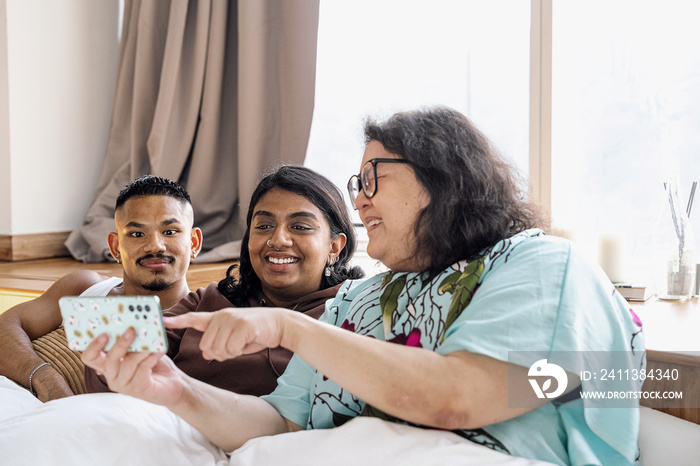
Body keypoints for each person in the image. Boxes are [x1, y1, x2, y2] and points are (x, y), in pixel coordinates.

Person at [83, 107, 645, 465]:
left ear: (442, 178)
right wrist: (174, 391)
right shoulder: (361, 300)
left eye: (372, 177)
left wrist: (285, 326)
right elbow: (277, 424)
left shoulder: (537, 263)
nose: (359, 199)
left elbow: (454, 397)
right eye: (358, 182)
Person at [84, 165, 365, 396]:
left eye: (300, 227)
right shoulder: (207, 301)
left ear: (334, 246)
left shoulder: (356, 312)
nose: (278, 239)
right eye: (264, 226)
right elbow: (111, 371)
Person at [0, 175, 202, 402]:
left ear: (194, 243)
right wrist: (46, 379)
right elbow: (5, 327)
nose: (155, 245)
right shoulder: (85, 286)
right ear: (115, 247)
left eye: (170, 231)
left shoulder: (198, 321)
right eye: (137, 234)